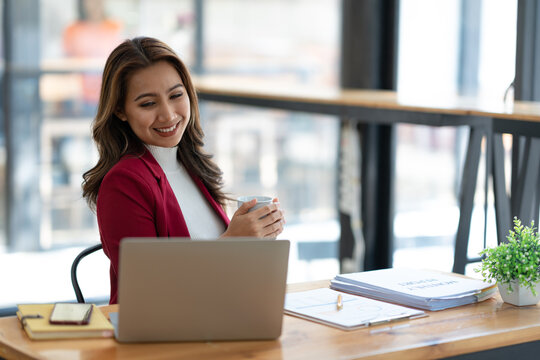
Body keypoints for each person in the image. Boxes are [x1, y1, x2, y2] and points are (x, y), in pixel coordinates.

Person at [82, 37, 285, 304]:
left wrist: (255, 240)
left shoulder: (192, 168)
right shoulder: (123, 182)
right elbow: (151, 289)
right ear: (120, 110)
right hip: (163, 339)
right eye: (147, 104)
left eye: (176, 95)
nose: (168, 115)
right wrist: (233, 242)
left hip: (221, 321)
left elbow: (216, 275)